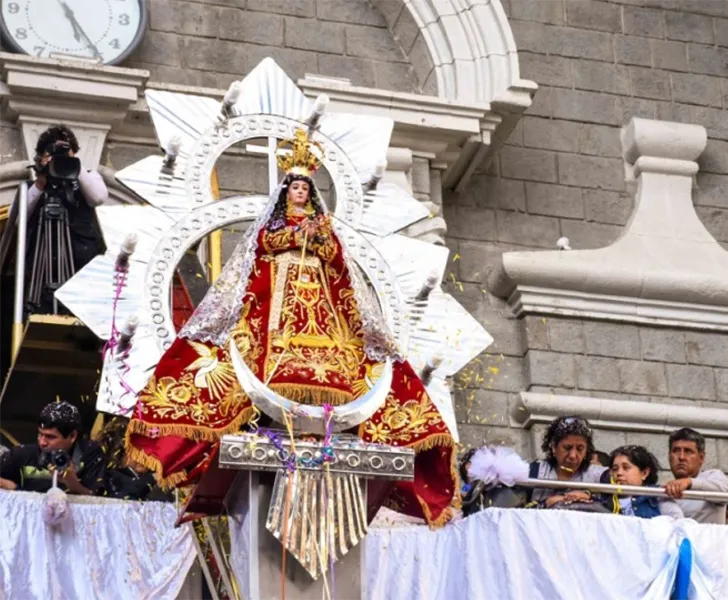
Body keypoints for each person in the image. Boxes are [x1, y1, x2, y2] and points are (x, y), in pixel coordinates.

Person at [125, 129, 456, 526]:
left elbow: (339, 268)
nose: (300, 193)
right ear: (286, 193)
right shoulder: (273, 229)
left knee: (341, 352)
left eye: (305, 188)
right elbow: (263, 246)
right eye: (295, 187)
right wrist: (295, 235)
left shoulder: (324, 229)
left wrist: (320, 241)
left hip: (321, 309)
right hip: (278, 310)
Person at [25, 124, 108, 314]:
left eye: (65, 152)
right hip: (42, 261)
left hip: (80, 258)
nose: (58, 158)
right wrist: (39, 184)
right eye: (51, 153)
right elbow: (17, 219)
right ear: (41, 157)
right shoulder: (32, 188)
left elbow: (98, 197)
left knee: (80, 305)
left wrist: (74, 167)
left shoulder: (87, 177)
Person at [0, 401, 105, 495]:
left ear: (72, 436)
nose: (42, 442)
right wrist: (12, 488)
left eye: (50, 437)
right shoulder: (21, 454)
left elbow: (101, 503)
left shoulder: (90, 455)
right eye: (40, 434)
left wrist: (73, 484)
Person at [528, 416, 607, 511]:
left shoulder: (600, 475)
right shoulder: (534, 471)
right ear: (553, 447)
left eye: (580, 449)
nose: (573, 455)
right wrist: (546, 503)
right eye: (567, 448)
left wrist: (589, 497)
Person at [661, 427, 728, 524]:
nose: (681, 457)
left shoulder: (713, 477)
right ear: (669, 456)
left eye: (688, 451)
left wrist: (690, 482)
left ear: (701, 457)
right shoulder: (666, 490)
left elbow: (727, 494)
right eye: (676, 451)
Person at [602, 445, 682, 519]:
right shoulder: (602, 501)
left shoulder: (658, 498)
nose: (619, 473)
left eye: (626, 468)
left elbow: (678, 525)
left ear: (644, 473)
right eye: (615, 469)